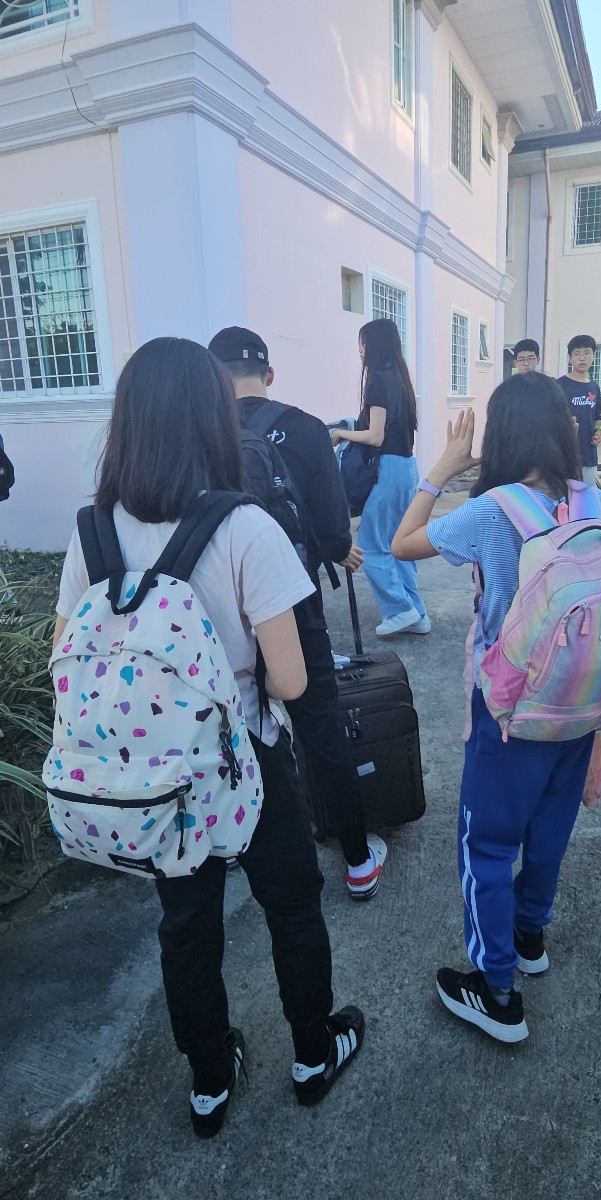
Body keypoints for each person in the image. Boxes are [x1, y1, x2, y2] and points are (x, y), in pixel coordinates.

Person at [52, 338, 365, 1137]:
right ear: (214, 420)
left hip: (151, 771)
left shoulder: (92, 532)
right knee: (291, 904)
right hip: (244, 759)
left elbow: (65, 661)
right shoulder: (245, 527)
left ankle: (209, 1080)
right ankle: (312, 1052)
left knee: (187, 924)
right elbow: (291, 682)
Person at [391, 372, 601, 1044]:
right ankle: (529, 936)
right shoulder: (590, 499)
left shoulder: (491, 511)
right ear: (564, 431)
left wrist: (443, 469)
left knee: (485, 844)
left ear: (503, 436)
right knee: (549, 828)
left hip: (510, 711)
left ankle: (497, 991)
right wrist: (600, 735)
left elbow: (401, 544)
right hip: (577, 703)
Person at [208, 326, 387, 901]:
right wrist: (339, 549)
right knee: (319, 726)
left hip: (216, 611)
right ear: (269, 374)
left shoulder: (199, 431)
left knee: (229, 725)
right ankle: (357, 859)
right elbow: (334, 529)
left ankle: (231, 842)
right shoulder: (308, 428)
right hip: (292, 602)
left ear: (213, 377)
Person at [331, 318, 428, 637]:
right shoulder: (400, 379)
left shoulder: (377, 381)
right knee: (399, 545)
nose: (360, 351)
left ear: (373, 345)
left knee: (371, 546)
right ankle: (418, 615)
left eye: (362, 344)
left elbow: (375, 436)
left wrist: (340, 434)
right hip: (406, 467)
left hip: (386, 469)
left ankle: (400, 609)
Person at [557, 334, 601, 486]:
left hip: (589, 457)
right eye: (577, 354)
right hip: (564, 457)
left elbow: (598, 417)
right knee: (565, 497)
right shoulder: (559, 385)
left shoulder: (594, 387)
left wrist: (599, 434)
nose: (582, 358)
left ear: (593, 356)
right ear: (570, 358)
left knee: (587, 497)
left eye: (586, 353)